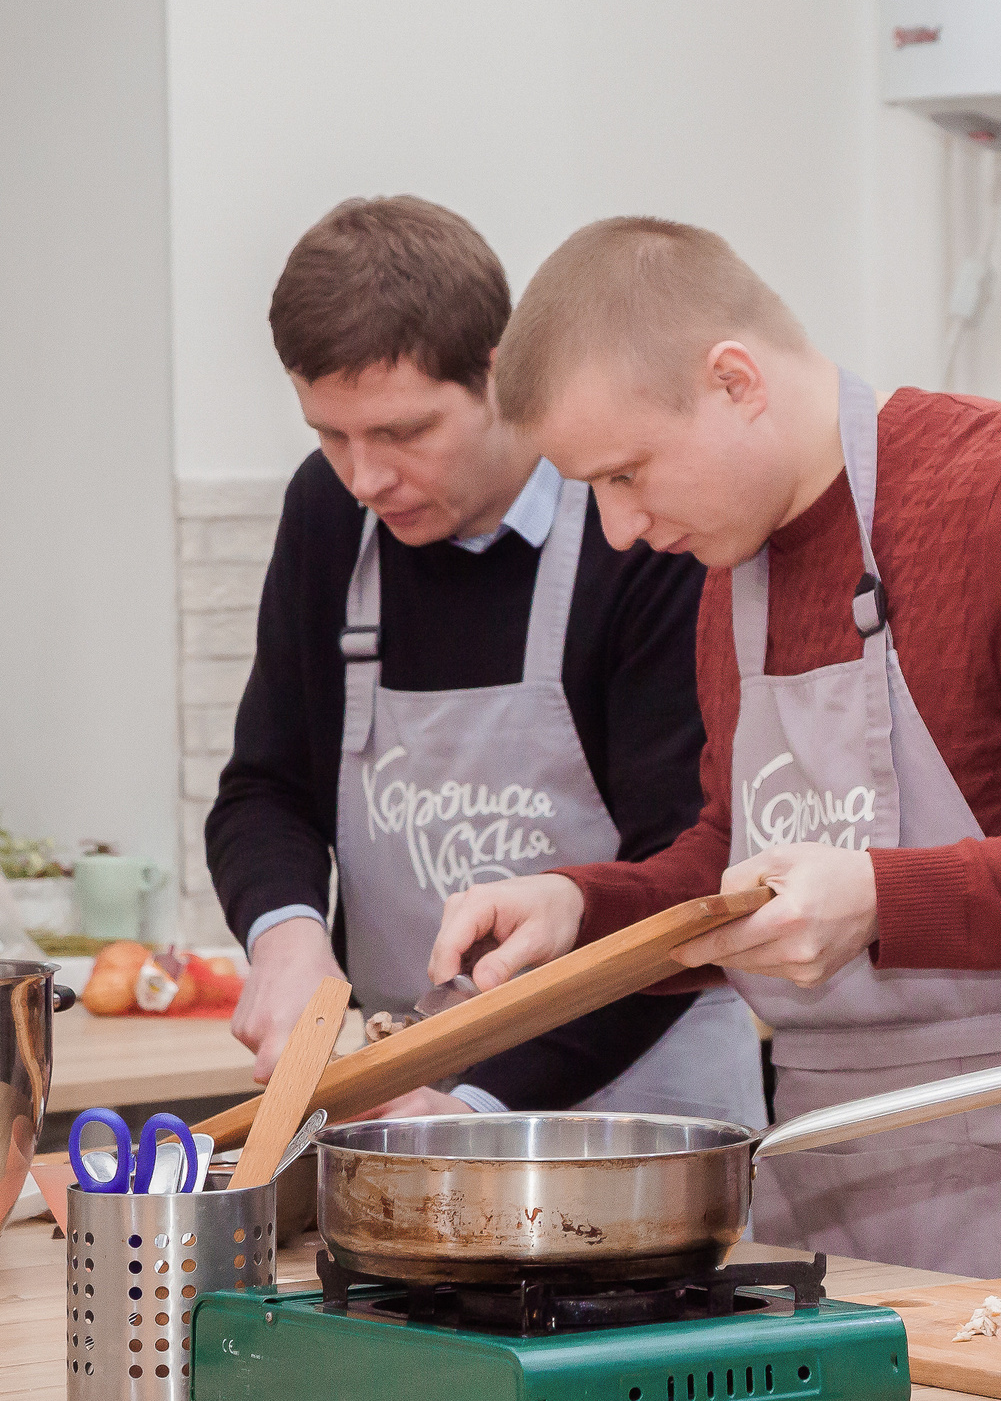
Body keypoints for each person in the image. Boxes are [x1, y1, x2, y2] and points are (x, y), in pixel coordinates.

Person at [426, 217, 1001, 1278]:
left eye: (627, 474)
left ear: (734, 380)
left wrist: (882, 897)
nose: (621, 528)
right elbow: (743, 867)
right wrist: (584, 912)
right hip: (826, 1201)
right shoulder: (735, 571)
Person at [208, 196, 760, 1125]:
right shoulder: (331, 516)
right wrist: (287, 931)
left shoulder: (635, 523)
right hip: (404, 1105)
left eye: (403, 432)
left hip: (642, 1116)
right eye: (329, 435)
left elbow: (683, 883)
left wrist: (474, 1103)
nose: (364, 477)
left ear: (501, 374)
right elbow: (264, 789)